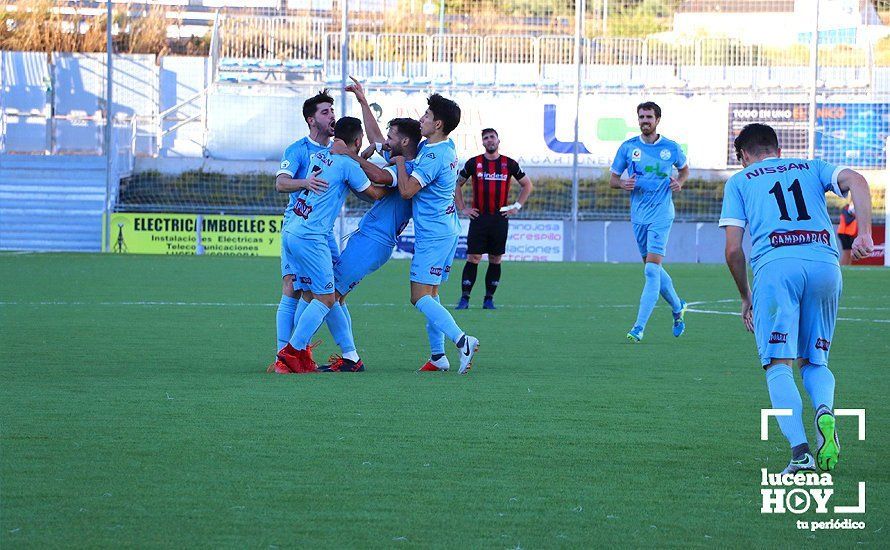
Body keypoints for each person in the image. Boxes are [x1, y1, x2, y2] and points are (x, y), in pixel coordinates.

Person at [719, 123, 874, 474]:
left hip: (776, 268)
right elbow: (859, 182)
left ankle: (800, 453)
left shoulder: (740, 181)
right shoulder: (810, 166)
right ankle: (824, 411)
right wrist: (864, 232)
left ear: (743, 154)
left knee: (778, 364)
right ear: (777, 147)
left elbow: (732, 251)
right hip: (825, 264)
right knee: (815, 361)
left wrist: (747, 297)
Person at [319, 79, 421, 372]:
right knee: (336, 296)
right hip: (369, 238)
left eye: (392, 137)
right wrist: (363, 102)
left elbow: (377, 174)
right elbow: (377, 138)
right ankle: (349, 357)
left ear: (403, 142)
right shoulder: (401, 157)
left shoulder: (407, 168)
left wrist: (349, 154)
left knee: (328, 296)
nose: (384, 141)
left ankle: (315, 352)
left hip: (374, 242)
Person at [273, 117, 389, 374]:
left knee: (315, 294)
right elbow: (376, 194)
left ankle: (349, 356)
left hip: (293, 230)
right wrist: (403, 184)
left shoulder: (321, 155)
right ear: (357, 141)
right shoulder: (348, 164)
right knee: (326, 298)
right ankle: (291, 353)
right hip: (311, 238)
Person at [391, 94, 480, 374]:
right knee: (432, 293)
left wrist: (400, 163)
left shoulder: (432, 155)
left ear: (438, 123)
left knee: (418, 296)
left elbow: (406, 191)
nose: (421, 120)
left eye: (427, 116)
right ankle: (438, 356)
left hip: (434, 235)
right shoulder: (447, 146)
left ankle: (462, 340)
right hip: (446, 229)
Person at [609, 101, 689, 342]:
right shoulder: (628, 148)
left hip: (662, 214)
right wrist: (623, 184)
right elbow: (613, 179)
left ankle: (639, 327)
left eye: (649, 117)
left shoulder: (671, 148)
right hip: (639, 216)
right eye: (641, 117)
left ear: (657, 120)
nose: (645, 121)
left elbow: (684, 170)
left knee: (652, 270)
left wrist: (680, 182)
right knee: (652, 269)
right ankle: (678, 307)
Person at [272, 91, 335, 361]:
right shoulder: (298, 149)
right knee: (292, 286)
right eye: (325, 112)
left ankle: (297, 351)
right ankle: (282, 354)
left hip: (324, 232)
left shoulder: (337, 150)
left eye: (332, 110)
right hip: (297, 226)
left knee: (324, 291)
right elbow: (281, 182)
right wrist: (305, 182)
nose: (332, 115)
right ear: (311, 120)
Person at [454, 128, 534, 310]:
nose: (489, 140)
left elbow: (527, 185)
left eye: (492, 137)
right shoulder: (474, 163)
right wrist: (463, 208)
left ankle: (488, 299)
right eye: (486, 138)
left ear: (498, 140)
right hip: (479, 217)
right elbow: (457, 184)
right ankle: (465, 298)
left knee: (495, 258)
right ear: (482, 142)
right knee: (473, 257)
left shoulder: (509, 164)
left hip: (499, 218)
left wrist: (516, 206)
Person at [837, 201, 857, 266]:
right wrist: (855, 216)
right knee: (846, 251)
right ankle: (842, 266)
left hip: (850, 233)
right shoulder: (845, 210)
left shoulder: (853, 210)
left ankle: (848, 266)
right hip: (844, 233)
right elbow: (847, 221)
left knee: (850, 251)